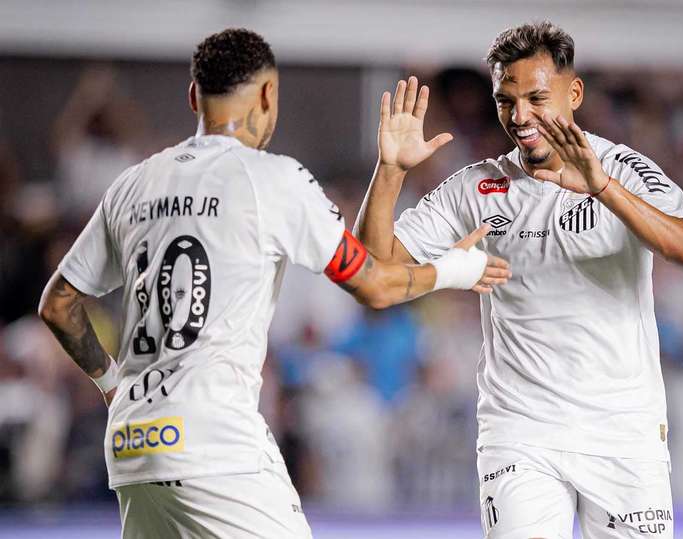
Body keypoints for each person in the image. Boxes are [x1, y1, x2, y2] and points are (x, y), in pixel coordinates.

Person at [37, 28, 510, 539]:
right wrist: (457, 269)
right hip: (215, 442)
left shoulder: (134, 183)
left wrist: (112, 386)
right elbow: (376, 286)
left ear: (194, 96)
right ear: (268, 95)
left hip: (133, 441)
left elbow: (58, 305)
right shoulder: (273, 180)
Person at [355, 21, 683, 539]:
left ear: (574, 93)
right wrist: (389, 170)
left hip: (624, 434)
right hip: (520, 433)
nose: (520, 117)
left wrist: (602, 188)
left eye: (537, 99)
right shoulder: (478, 186)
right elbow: (371, 268)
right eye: (506, 101)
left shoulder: (623, 169)